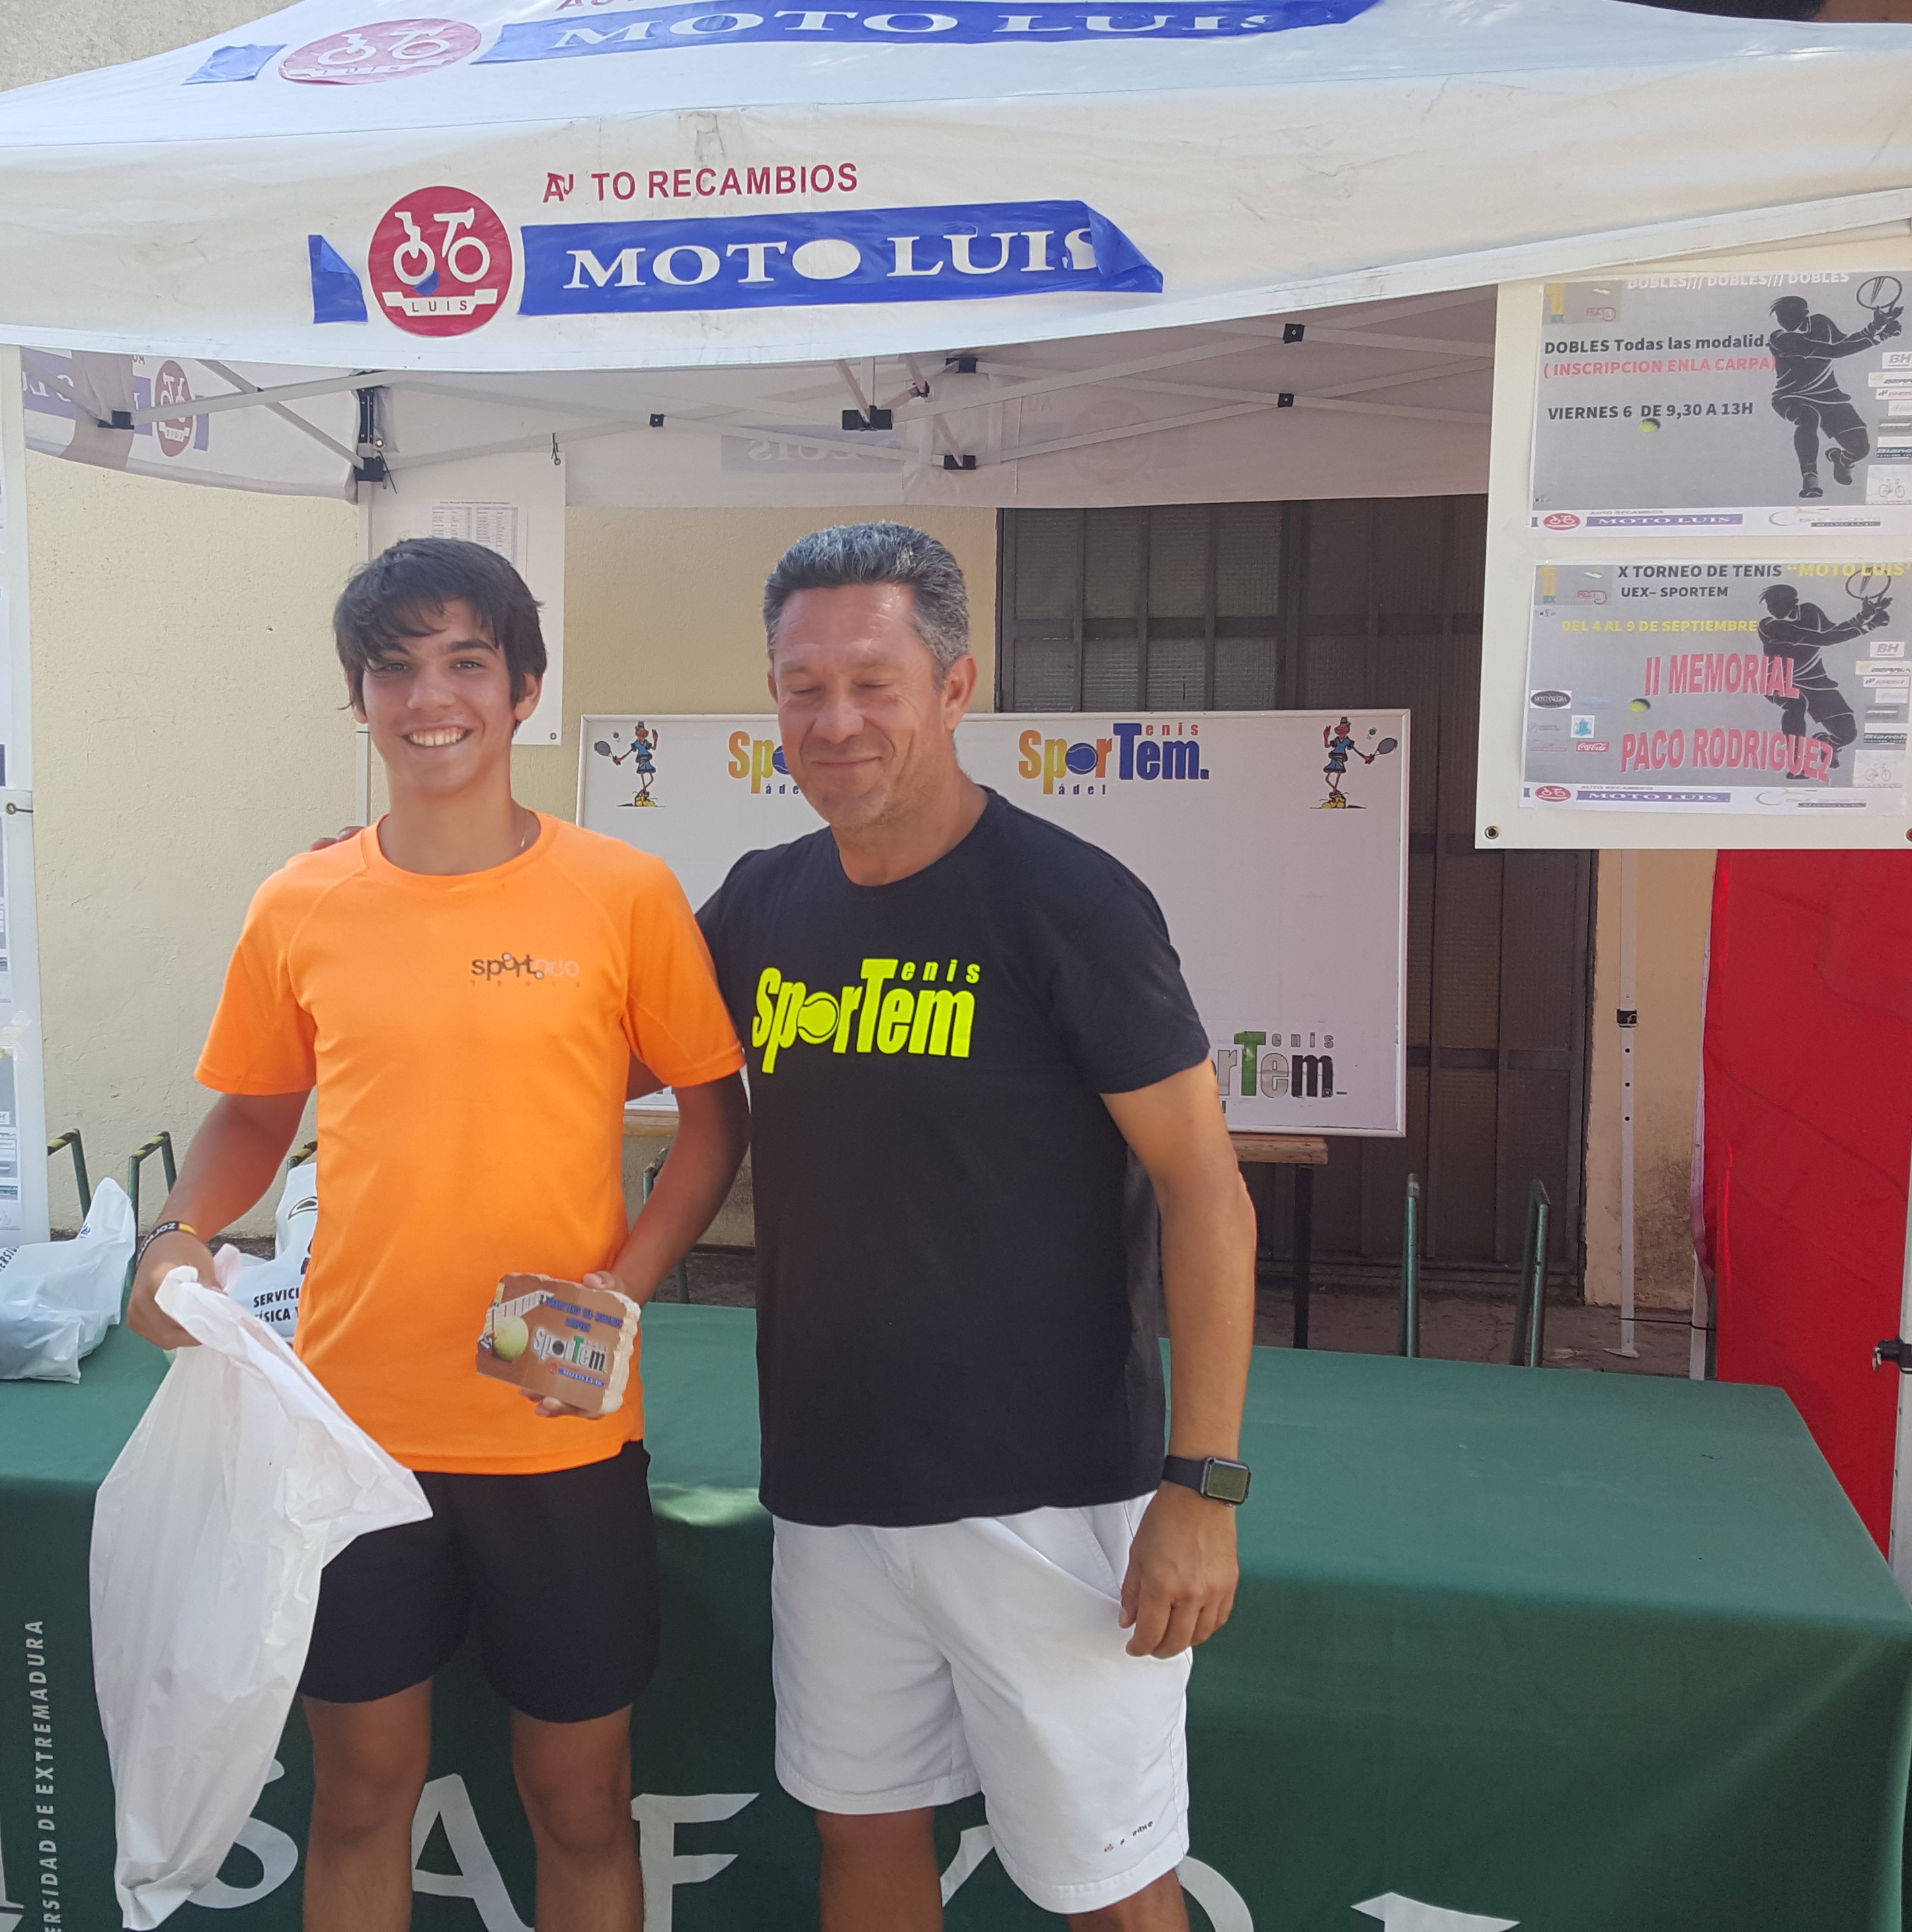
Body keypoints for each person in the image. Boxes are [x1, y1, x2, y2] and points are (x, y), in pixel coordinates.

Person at [121, 537, 749, 1932]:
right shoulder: (301, 900)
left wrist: (621, 1291)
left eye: (467, 660)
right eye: (394, 667)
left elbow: (714, 1120)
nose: (430, 697)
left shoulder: (622, 892)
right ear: (358, 698)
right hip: (350, 1435)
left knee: (579, 1802)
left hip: (558, 1428)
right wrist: (170, 1235)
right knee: (357, 1796)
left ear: (524, 687)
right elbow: (252, 1114)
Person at [691, 523, 1258, 1932]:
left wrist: (1203, 1486)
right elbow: (590, 1022)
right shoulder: (762, 902)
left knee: (1110, 1888)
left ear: (954, 688)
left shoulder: (1068, 902)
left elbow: (1207, 1189)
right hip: (830, 1483)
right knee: (862, 1838)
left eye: (871, 684)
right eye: (802, 687)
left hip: (1048, 1496)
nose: (833, 721)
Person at [1766, 293, 1901, 498]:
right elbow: (1835, 351)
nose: (1784, 323)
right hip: (1791, 396)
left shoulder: (1822, 323)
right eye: (1781, 319)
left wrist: (1875, 326)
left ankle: (1843, 459)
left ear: (1804, 314)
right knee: (1808, 418)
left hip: (1830, 396)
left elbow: (1845, 342)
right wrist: (1881, 336)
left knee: (1861, 449)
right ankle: (1810, 478)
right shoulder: (1781, 339)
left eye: (1788, 318)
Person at [1755, 580, 1891, 775]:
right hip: (1779, 681)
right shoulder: (1769, 626)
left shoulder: (1810, 611)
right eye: (1770, 605)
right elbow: (1823, 640)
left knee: (1847, 734)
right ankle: (1797, 764)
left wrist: (1863, 617)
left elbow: (1832, 631)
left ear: (1794, 602)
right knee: (1796, 703)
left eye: (1778, 604)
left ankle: (1827, 745)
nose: (1773, 609)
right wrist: (1869, 626)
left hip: (1815, 680)